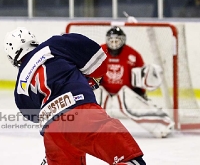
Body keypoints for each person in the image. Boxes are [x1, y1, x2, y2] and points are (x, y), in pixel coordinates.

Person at [4, 27, 146, 165]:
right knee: (128, 159)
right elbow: (100, 62)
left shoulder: (20, 85)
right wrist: (85, 81)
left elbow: (33, 115)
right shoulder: (54, 44)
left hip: (51, 131)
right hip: (82, 113)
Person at [94, 26, 175, 138]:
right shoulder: (99, 51)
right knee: (90, 103)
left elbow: (140, 77)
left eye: (116, 41)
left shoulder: (132, 54)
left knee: (135, 105)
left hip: (124, 93)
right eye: (111, 41)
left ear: (123, 40)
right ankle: (78, 128)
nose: (114, 44)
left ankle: (163, 126)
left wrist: (140, 92)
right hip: (103, 93)